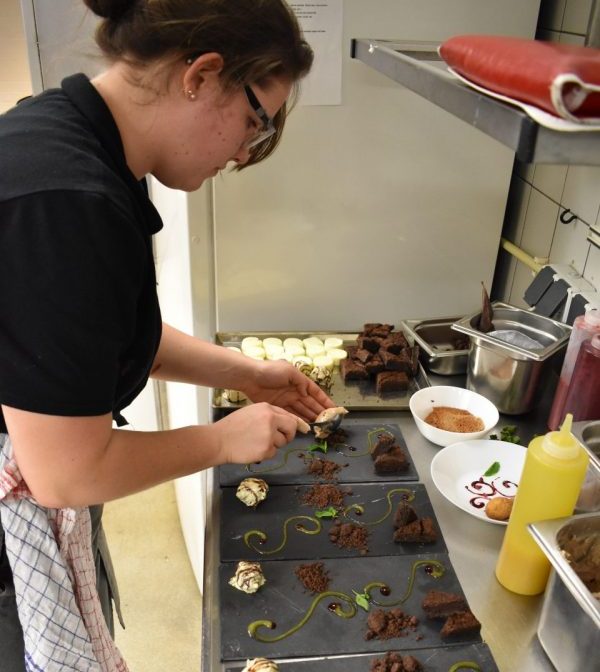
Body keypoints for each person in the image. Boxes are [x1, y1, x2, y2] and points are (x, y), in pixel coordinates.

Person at [0, 1, 331, 669]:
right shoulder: (67, 203)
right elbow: (66, 472)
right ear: (202, 75)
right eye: (254, 122)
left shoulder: (66, 136)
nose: (244, 154)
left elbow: (95, 342)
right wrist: (222, 439)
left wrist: (243, 373)